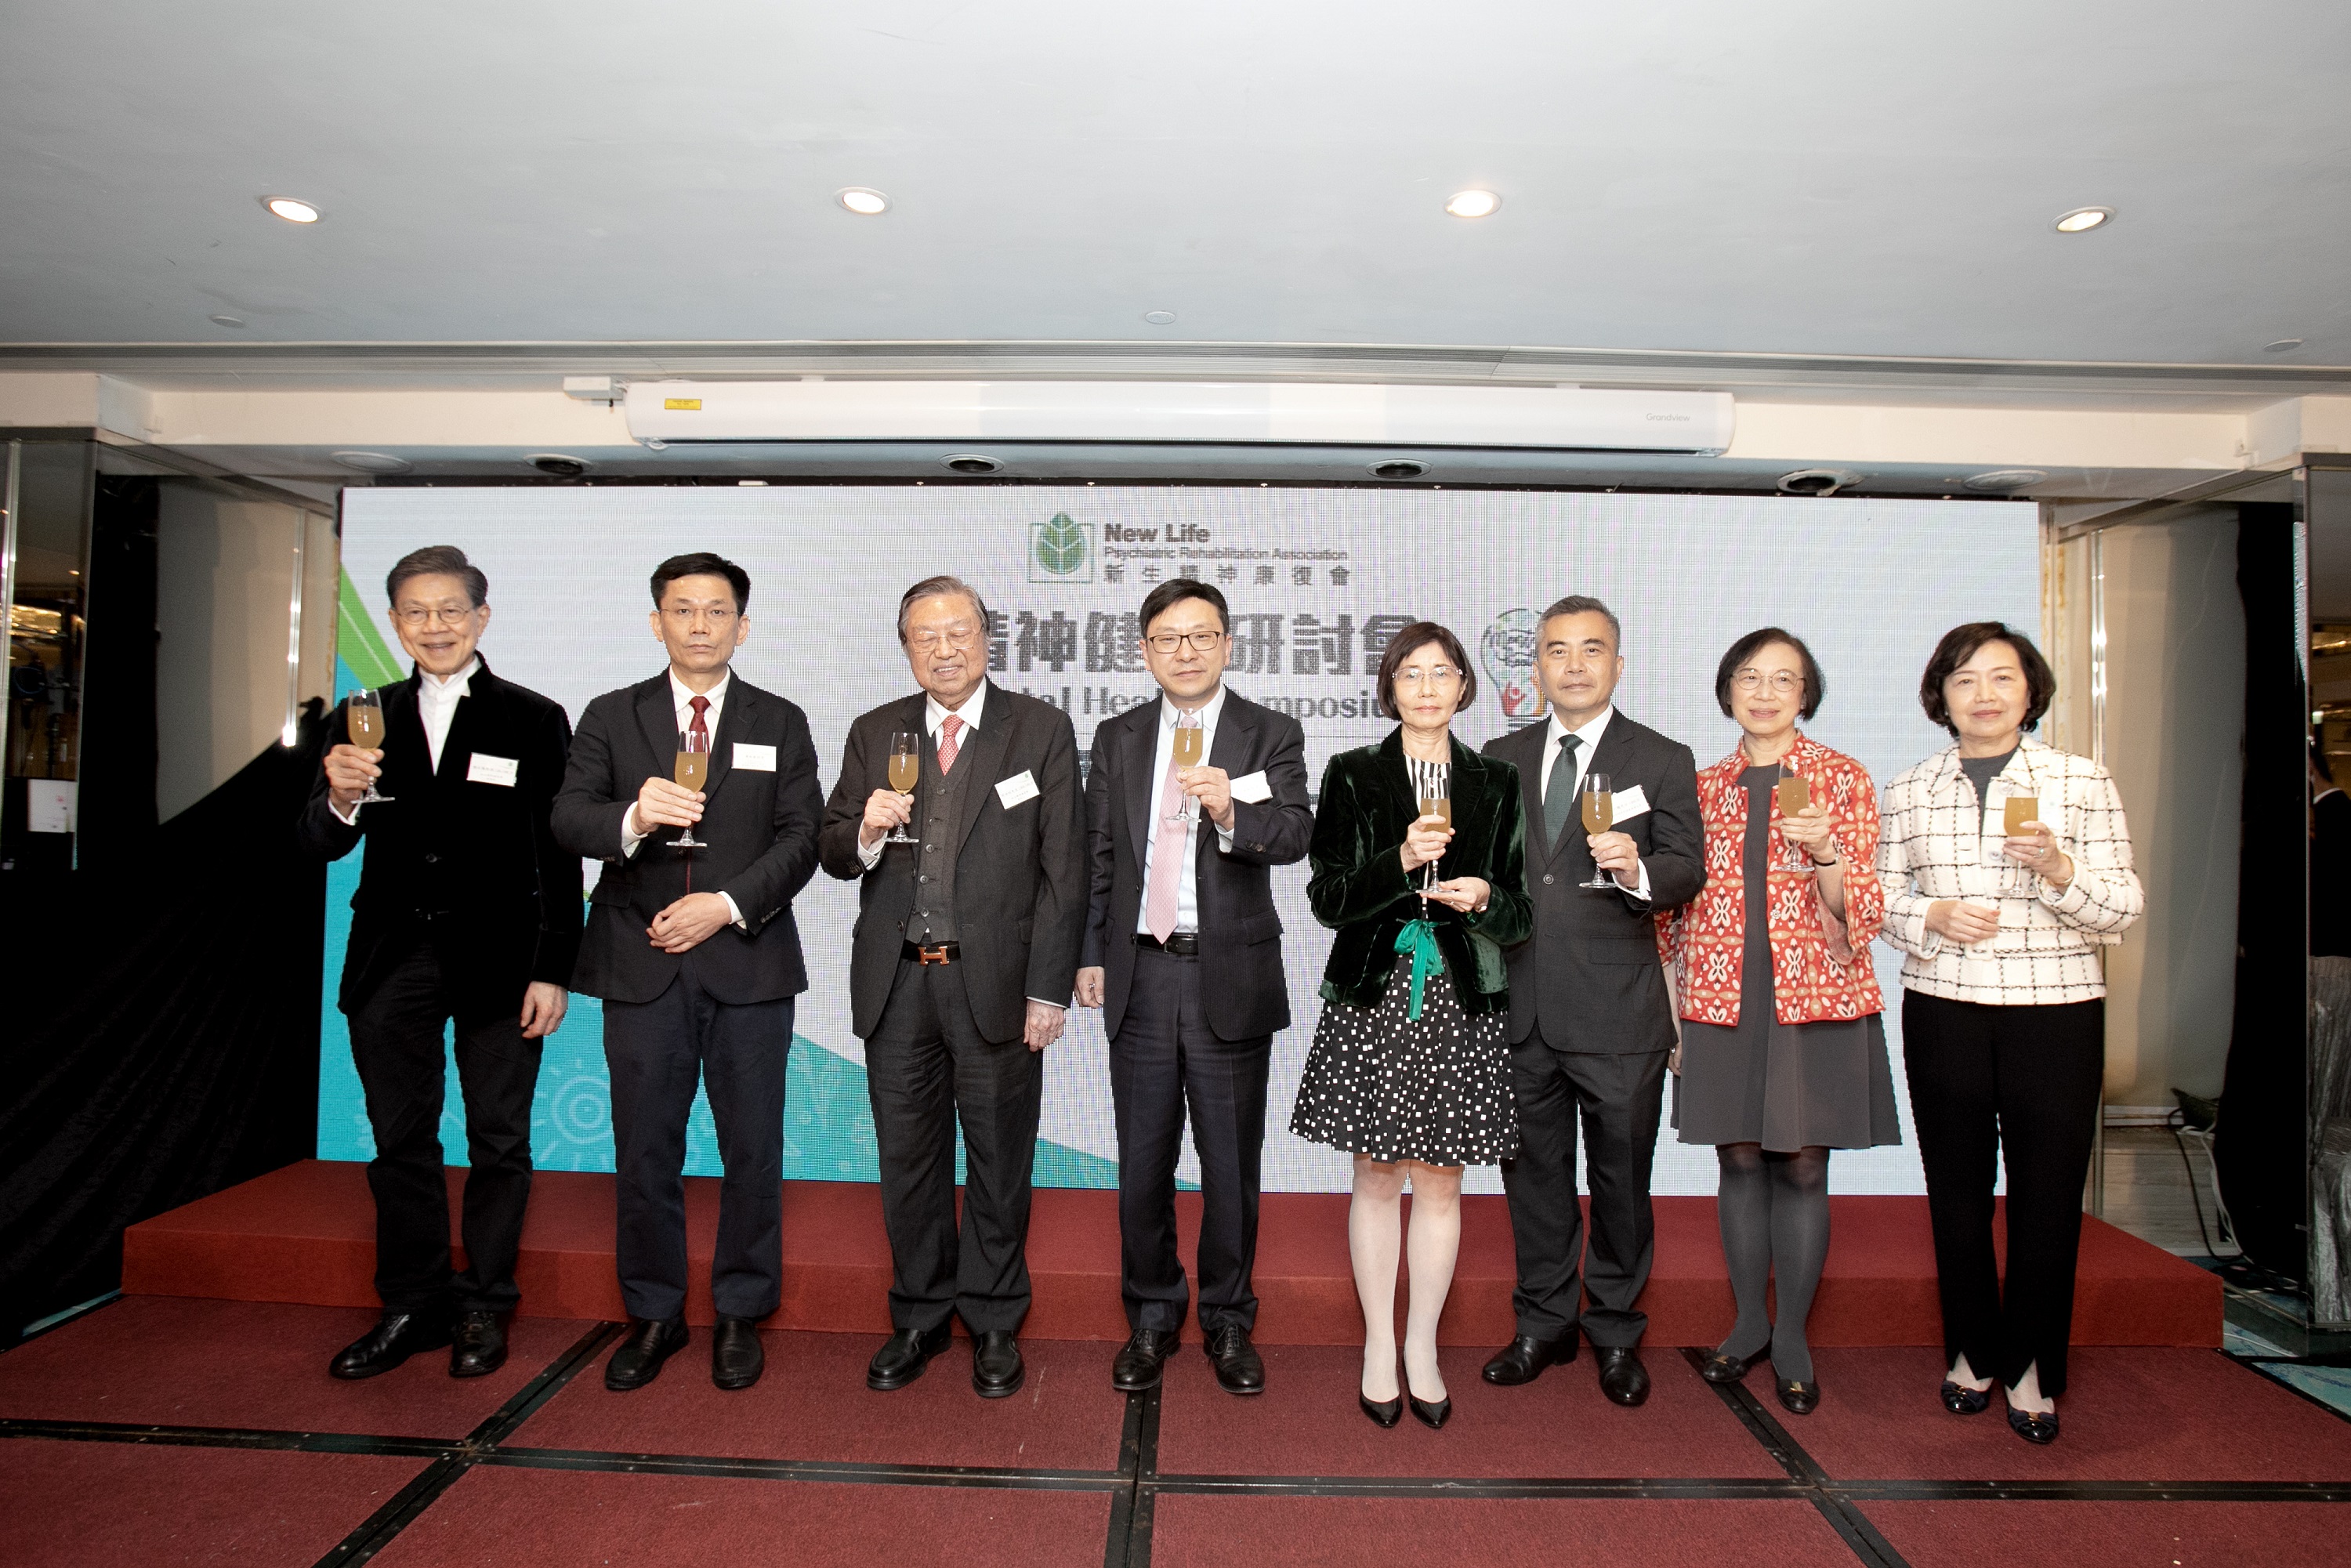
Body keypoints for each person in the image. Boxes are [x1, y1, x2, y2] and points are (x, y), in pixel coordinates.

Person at [300, 545, 581, 1382]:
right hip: (391, 962)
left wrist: (553, 967)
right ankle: (412, 1305)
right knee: (400, 1143)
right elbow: (318, 841)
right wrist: (341, 793)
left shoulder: (532, 718)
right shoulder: (362, 715)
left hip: (501, 964)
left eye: (451, 610)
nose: (435, 627)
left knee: (501, 1141)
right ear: (393, 624)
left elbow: (559, 858)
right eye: (416, 613)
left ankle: (486, 1304)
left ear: (481, 618)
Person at [552, 552, 824, 1394]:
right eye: (683, 610)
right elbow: (568, 819)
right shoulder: (610, 715)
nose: (700, 625)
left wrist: (727, 904)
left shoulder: (779, 719)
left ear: (743, 626)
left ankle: (742, 1311)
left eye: (717, 612)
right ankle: (655, 1314)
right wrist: (633, 815)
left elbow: (802, 837)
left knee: (753, 1151)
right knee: (644, 1152)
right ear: (656, 621)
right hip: (640, 967)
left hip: (747, 965)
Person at [819, 575, 1086, 1400]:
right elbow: (832, 848)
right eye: (924, 635)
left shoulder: (1038, 729)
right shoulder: (876, 730)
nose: (944, 647)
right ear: (906, 647)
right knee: (908, 1160)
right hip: (897, 984)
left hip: (997, 985)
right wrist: (863, 829)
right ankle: (920, 1315)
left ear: (986, 637)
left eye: (958, 631)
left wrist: (1048, 991)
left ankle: (997, 1318)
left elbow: (1063, 873)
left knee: (1001, 1161)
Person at [1879, 621, 2143, 1445]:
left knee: (2048, 1199)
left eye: (2001, 678)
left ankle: (2033, 1365)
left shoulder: (2080, 780)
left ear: (2031, 692)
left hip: (2057, 1013)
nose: (1984, 695)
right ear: (1940, 697)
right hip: (1946, 1009)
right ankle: (1971, 1351)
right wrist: (1932, 913)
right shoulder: (1912, 788)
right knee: (1956, 1196)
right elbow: (1875, 904)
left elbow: (2124, 907)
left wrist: (2061, 873)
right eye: (1964, 680)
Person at [1074, 579, 1314, 1396]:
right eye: (1167, 638)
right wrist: (1088, 953)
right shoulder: (1118, 736)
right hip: (1141, 975)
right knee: (1142, 1162)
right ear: (1144, 651)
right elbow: (1099, 853)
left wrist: (1230, 816)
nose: (1184, 651)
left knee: (1229, 1165)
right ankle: (1150, 1314)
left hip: (1229, 977)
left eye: (1200, 637)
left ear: (1227, 645)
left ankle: (1228, 1316)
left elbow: (1294, 835)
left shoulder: (1268, 733)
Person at [1291, 623, 1532, 1429]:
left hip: (1460, 998)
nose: (1427, 688)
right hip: (1379, 993)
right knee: (1374, 1173)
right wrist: (1396, 861)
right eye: (1411, 674)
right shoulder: (1354, 774)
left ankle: (1422, 1345)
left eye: (1442, 673)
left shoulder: (1495, 780)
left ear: (1464, 686)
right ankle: (1377, 1349)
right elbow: (1327, 898)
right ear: (1389, 686)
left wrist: (1486, 900)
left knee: (1440, 1179)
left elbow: (1522, 912)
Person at [1660, 628, 1900, 1418]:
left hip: (1811, 998)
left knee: (1801, 1164)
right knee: (1735, 1161)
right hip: (1721, 996)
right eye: (1750, 678)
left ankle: (1792, 1334)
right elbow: (1668, 917)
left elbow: (1863, 913)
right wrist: (1673, 1015)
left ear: (1807, 693)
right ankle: (1748, 1321)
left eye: (1784, 679)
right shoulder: (1698, 787)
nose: (1765, 692)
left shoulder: (1840, 777)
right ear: (1728, 690)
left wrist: (1827, 852)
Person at [1479, 595, 1702, 1407]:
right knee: (1532, 1179)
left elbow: (1686, 866)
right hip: (1521, 1008)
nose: (1573, 666)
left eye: (1591, 650)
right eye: (1556, 651)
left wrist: (1636, 871)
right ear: (1535, 666)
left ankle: (1614, 1330)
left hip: (1618, 1012)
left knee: (1620, 1181)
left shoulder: (1661, 756)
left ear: (1618, 663)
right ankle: (1543, 1324)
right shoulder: (1497, 756)